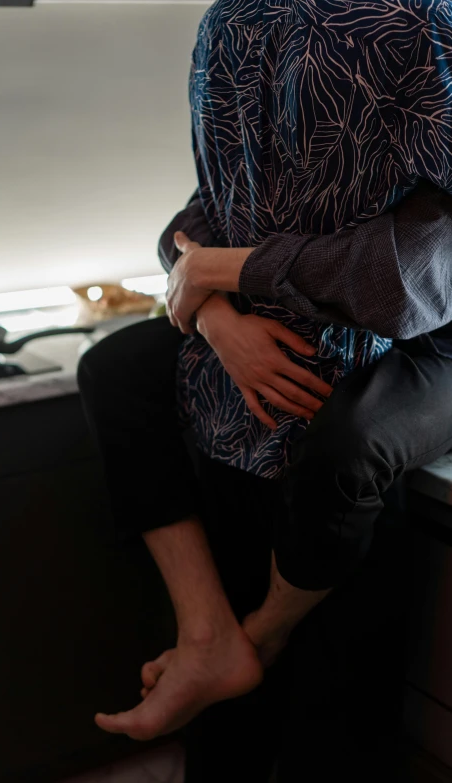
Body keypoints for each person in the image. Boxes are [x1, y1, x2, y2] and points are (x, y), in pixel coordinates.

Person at [78, 1, 452, 778]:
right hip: (257, 360)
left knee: (344, 445)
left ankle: (254, 636)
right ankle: (211, 633)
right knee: (115, 369)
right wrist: (214, 311)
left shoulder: (417, 25)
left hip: (400, 345)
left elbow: (407, 280)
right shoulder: (233, 23)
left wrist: (230, 271)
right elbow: (201, 218)